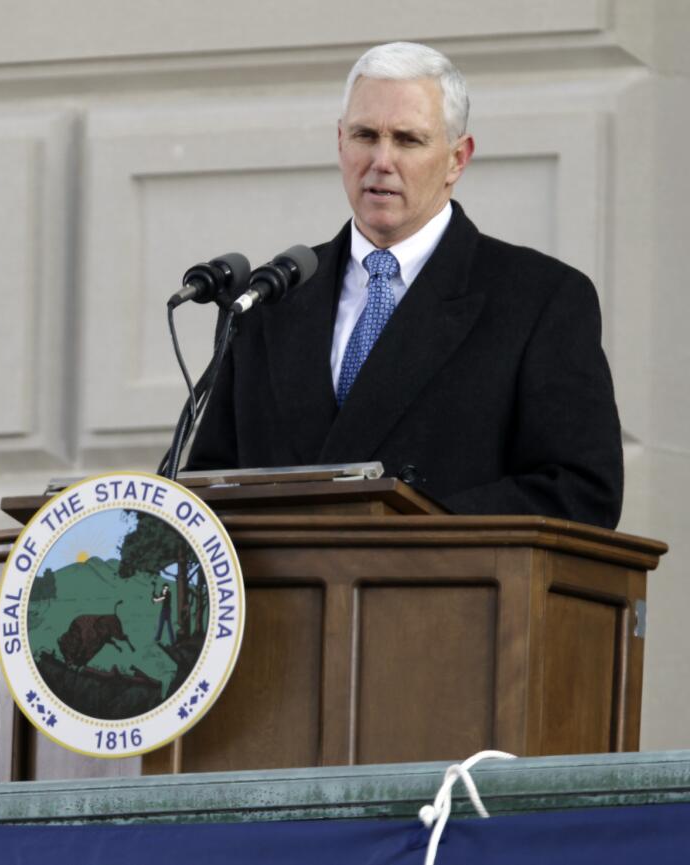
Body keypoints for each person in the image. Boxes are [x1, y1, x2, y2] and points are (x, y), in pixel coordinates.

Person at [186, 41, 623, 530]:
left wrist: (417, 526)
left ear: (458, 159)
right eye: (365, 135)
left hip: (441, 597)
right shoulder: (271, 297)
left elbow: (580, 492)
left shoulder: (539, 300)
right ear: (339, 142)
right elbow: (213, 484)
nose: (381, 160)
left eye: (408, 140)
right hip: (284, 601)